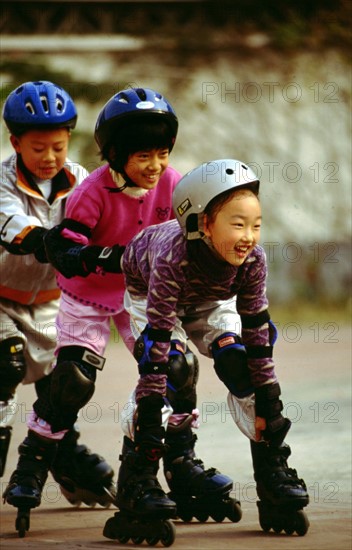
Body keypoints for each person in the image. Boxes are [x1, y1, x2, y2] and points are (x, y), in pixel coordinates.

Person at [4, 87, 228, 534]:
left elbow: (191, 234)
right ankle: (33, 464)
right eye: (143, 155)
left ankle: (178, 461)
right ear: (117, 155)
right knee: (72, 380)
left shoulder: (170, 183)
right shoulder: (92, 188)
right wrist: (97, 254)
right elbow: (62, 247)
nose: (155, 165)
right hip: (83, 295)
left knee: (177, 369)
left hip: (137, 294)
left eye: (162, 153)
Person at [103, 158, 310, 542]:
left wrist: (270, 406)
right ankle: (138, 479)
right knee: (175, 370)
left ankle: (272, 474)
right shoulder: (171, 254)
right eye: (237, 224)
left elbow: (259, 340)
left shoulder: (253, 262)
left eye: (256, 225)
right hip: (150, 294)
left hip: (213, 300)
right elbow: (157, 353)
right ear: (201, 223)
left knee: (242, 365)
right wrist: (150, 429)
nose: (249, 236)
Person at [0, 80, 115, 516]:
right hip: (1, 299)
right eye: (37, 148)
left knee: (68, 384)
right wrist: (57, 242)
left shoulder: (84, 182)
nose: (49, 158)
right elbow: (12, 227)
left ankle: (62, 457)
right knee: (5, 362)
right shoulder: (1, 182)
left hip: (52, 301)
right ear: (15, 142)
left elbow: (107, 223)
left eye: (58, 147)